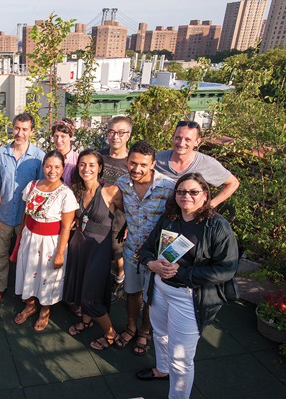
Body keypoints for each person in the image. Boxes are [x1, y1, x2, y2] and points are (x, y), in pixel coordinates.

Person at [136, 173, 239, 399]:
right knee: (160, 334)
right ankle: (162, 370)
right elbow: (147, 249)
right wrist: (151, 263)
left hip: (189, 297)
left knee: (181, 358)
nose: (187, 196)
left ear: (205, 195)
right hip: (161, 289)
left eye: (194, 192)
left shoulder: (217, 226)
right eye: (181, 191)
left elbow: (226, 269)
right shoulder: (169, 218)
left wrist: (181, 272)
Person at [115, 140, 175, 355]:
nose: (137, 169)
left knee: (152, 297)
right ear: (127, 160)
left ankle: (145, 330)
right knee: (132, 292)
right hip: (131, 252)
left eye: (143, 164)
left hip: (156, 257)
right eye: (133, 163)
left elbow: (175, 220)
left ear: (153, 164)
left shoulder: (169, 187)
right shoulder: (122, 183)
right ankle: (131, 326)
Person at [63, 149, 123, 349]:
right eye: (82, 164)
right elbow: (78, 216)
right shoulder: (77, 190)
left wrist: (127, 231)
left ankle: (110, 333)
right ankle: (87, 321)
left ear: (100, 168)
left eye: (91, 165)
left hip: (99, 248)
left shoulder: (111, 191)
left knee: (91, 294)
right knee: (81, 287)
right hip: (79, 244)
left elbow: (131, 212)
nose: (86, 168)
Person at [14, 151, 79, 331]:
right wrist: (21, 237)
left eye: (57, 167)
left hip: (51, 242)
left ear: (62, 168)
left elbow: (66, 227)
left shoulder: (66, 194)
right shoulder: (32, 185)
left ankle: (45, 309)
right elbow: (26, 215)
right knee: (29, 271)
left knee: (47, 275)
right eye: (48, 166)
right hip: (30, 238)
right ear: (43, 167)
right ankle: (30, 304)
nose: (52, 170)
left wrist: (60, 253)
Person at [0, 113, 45, 303]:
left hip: (27, 217)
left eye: (24, 129)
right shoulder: (0, 154)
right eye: (16, 128)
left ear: (32, 131)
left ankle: (26, 290)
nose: (19, 133)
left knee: (27, 257)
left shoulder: (39, 157)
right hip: (4, 214)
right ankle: (0, 286)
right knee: (1, 253)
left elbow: (40, 188)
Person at [154, 120, 239, 208]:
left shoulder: (206, 163)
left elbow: (233, 183)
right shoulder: (158, 158)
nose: (181, 143)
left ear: (197, 142)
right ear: (173, 137)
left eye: (188, 139)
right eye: (178, 138)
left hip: (188, 218)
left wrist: (209, 206)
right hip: (157, 216)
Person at [98, 116, 131, 303]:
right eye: (111, 132)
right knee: (100, 252)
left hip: (120, 218)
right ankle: (103, 281)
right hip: (98, 216)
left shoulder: (132, 161)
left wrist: (130, 223)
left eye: (120, 132)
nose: (115, 136)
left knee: (118, 253)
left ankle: (119, 281)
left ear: (128, 135)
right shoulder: (99, 155)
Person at [51, 118, 79, 184]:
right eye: (56, 136)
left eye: (63, 136)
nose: (58, 140)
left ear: (71, 137)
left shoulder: (78, 159)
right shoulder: (48, 158)